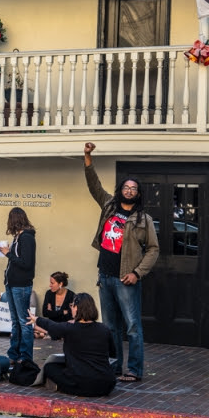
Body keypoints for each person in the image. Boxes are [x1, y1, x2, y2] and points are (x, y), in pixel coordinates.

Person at [83, 141, 160, 383]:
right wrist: (87, 157)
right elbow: (93, 184)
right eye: (126, 187)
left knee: (133, 327)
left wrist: (137, 273)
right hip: (105, 276)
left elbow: (154, 249)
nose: (129, 190)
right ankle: (115, 367)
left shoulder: (143, 219)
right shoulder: (108, 205)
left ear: (138, 193)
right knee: (110, 327)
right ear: (120, 190)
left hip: (126, 278)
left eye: (133, 188)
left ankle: (134, 370)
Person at [27, 292, 116, 397]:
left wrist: (36, 319)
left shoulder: (69, 328)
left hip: (82, 385)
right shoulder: (104, 329)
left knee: (50, 367)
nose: (71, 309)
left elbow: (52, 326)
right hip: (106, 385)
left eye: (72, 306)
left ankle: (59, 386)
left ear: (77, 308)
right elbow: (113, 353)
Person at [0, 206, 36, 365]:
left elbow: (26, 263)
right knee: (16, 321)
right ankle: (14, 353)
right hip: (12, 284)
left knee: (23, 322)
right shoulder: (19, 237)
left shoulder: (26, 238)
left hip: (20, 285)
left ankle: (25, 356)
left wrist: (8, 253)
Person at [34, 271, 75, 339]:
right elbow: (45, 313)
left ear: (60, 284)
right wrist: (63, 312)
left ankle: (47, 334)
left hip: (64, 325)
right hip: (51, 324)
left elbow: (70, 315)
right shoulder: (49, 293)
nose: (50, 285)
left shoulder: (71, 295)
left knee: (72, 325)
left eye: (52, 283)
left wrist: (53, 313)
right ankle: (52, 334)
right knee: (33, 324)